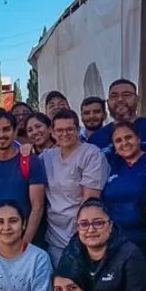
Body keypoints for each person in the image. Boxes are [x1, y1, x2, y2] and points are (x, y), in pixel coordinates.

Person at [0, 109, 47, 253]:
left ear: (15, 130)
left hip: (27, 239)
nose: (1, 135)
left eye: (6, 129)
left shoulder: (30, 161)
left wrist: (24, 245)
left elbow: (38, 206)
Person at [40, 109, 109, 263]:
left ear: (78, 130)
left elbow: (90, 200)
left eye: (69, 129)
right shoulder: (46, 157)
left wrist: (81, 234)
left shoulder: (91, 154)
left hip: (81, 236)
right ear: (52, 132)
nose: (64, 134)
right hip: (54, 237)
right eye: (59, 130)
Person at [102, 121, 146, 249]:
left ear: (138, 139)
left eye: (128, 137)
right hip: (116, 241)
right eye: (118, 140)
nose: (124, 143)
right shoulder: (110, 165)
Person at [87, 79, 146, 153]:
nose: (120, 99)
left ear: (137, 99)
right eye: (114, 96)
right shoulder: (95, 139)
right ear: (108, 102)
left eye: (126, 95)